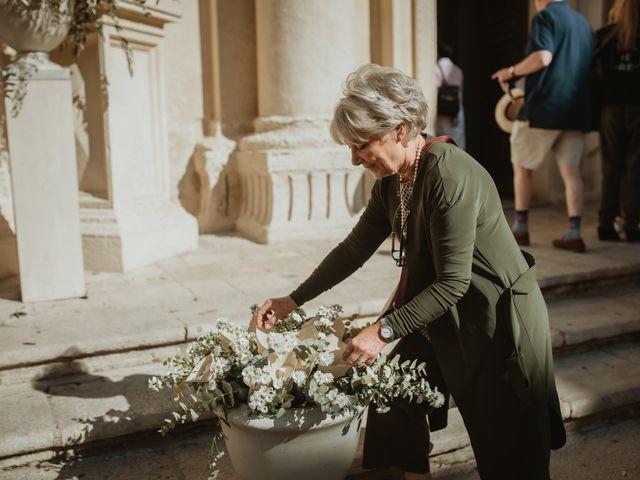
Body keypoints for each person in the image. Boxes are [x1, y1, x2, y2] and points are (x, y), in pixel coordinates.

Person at [255, 64, 565, 480]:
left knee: (510, 452)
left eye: (361, 144)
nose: (353, 159)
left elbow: (453, 282)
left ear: (399, 130)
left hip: (498, 324)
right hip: (446, 316)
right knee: (393, 397)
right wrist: (294, 300)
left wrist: (382, 332)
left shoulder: (448, 172)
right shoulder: (392, 182)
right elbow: (353, 250)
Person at [491, 0, 593, 253]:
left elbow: (542, 57)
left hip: (544, 108)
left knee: (522, 167)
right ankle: (574, 232)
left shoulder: (545, 17)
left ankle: (521, 229)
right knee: (572, 172)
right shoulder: (583, 23)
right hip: (576, 109)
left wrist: (511, 71)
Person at [593, 0, 640, 242]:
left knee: (610, 165)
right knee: (635, 167)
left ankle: (606, 223)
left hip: (610, 108)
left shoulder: (605, 37)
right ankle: (633, 225)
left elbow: (593, 75)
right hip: (637, 108)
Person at [434, 44, 466, 150]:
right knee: (458, 142)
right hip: (456, 112)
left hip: (442, 111)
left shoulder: (436, 69)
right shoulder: (458, 70)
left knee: (442, 143)